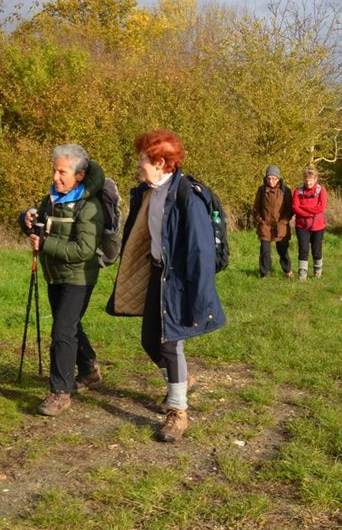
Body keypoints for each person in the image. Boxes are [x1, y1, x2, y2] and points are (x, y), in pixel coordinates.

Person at [106, 130, 226, 443]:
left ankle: (178, 412)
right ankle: (182, 380)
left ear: (161, 163)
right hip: (156, 275)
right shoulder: (148, 192)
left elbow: (200, 251)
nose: (138, 166)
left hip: (180, 282)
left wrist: (198, 298)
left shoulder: (187, 195)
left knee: (170, 344)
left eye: (142, 161)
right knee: (150, 341)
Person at [20, 144, 106, 417]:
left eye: (62, 172)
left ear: (79, 175)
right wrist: (27, 220)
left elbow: (84, 250)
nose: (56, 177)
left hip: (79, 276)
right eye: (54, 170)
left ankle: (60, 392)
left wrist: (45, 243)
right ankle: (90, 370)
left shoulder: (90, 206)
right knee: (68, 325)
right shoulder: (53, 198)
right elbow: (43, 226)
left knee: (61, 331)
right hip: (55, 274)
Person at [253, 165, 293, 277]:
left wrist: (283, 222)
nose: (271, 181)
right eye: (269, 178)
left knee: (283, 250)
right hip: (265, 225)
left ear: (278, 179)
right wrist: (261, 221)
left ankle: (288, 271)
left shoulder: (285, 191)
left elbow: (290, 210)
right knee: (265, 251)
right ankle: (265, 273)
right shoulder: (261, 190)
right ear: (265, 178)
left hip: (281, 226)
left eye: (274, 178)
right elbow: (256, 208)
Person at [292, 166, 328, 280]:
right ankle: (302, 274)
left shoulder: (321, 190)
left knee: (316, 249)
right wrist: (310, 213)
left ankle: (318, 270)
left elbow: (321, 207)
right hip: (302, 226)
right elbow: (295, 207)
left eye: (310, 180)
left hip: (318, 226)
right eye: (306, 180)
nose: (308, 183)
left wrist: (304, 208)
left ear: (316, 179)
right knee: (303, 249)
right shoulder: (298, 190)